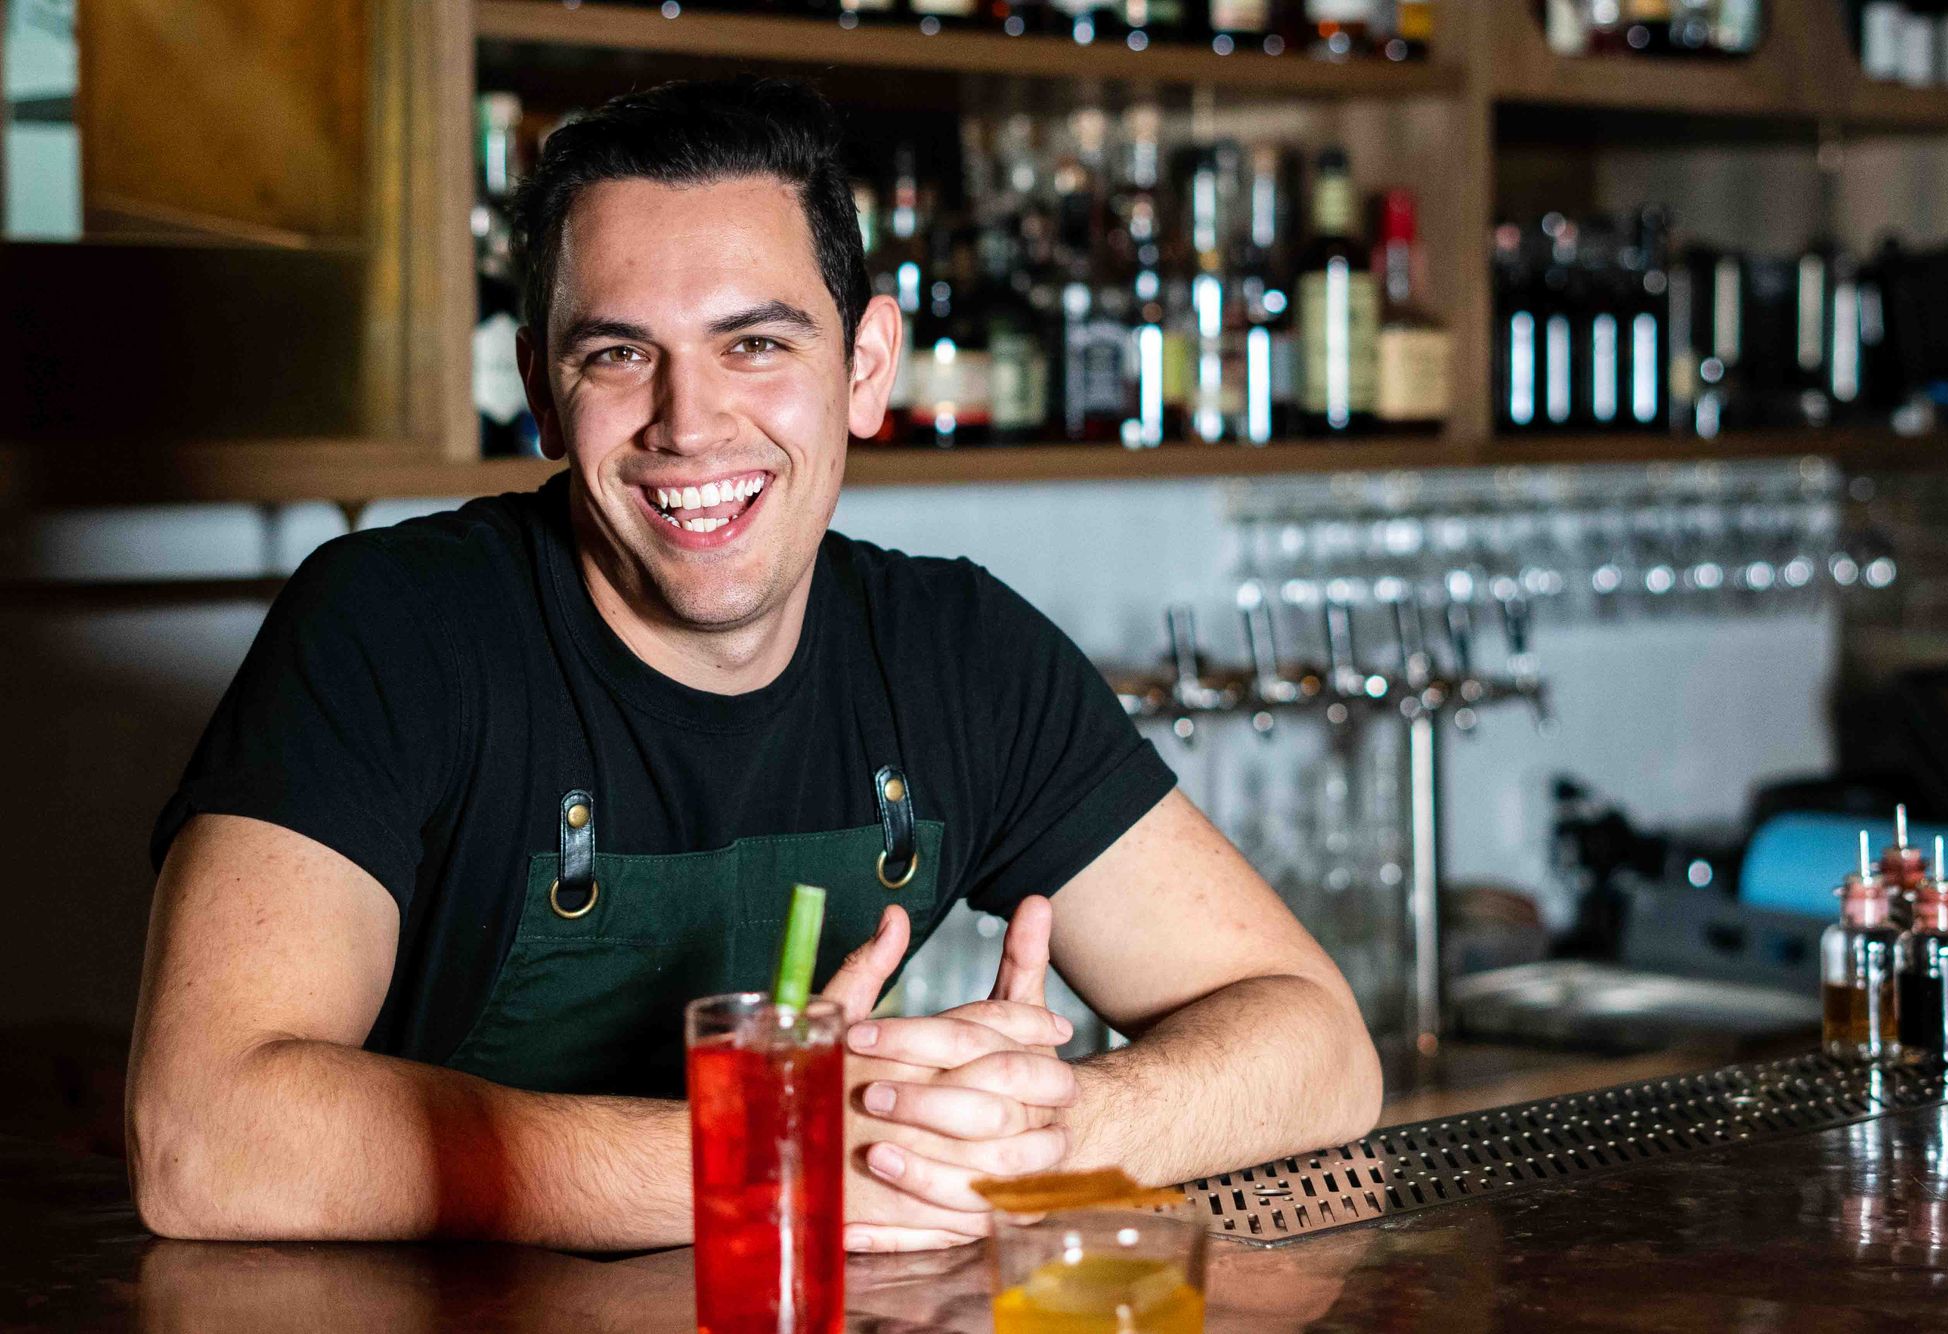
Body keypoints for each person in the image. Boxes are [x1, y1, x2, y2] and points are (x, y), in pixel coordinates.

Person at [126, 77, 1380, 1254]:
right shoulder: (392, 629)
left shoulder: (957, 654)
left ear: (867, 369)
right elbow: (203, 1136)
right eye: (617, 352)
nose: (687, 422)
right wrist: (770, 1157)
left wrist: (1039, 1127)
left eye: (756, 344)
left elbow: (1319, 1042)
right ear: (542, 394)